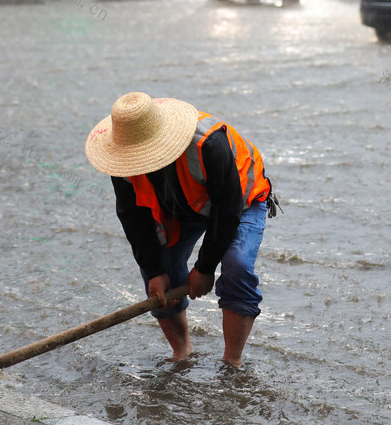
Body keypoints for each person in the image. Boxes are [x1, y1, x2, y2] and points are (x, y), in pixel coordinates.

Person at [85, 92, 278, 368]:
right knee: (159, 278)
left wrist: (205, 267)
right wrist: (154, 270)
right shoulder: (121, 159)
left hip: (240, 199)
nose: (141, 162)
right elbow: (133, 217)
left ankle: (231, 364)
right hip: (180, 204)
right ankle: (182, 355)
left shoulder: (207, 144)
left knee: (237, 266)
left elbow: (227, 209)